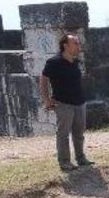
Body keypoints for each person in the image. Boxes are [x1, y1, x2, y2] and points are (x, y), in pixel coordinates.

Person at [40, 34, 94, 172]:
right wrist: (46, 99)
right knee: (63, 134)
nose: (78, 46)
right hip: (63, 103)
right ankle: (64, 162)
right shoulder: (54, 62)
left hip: (79, 102)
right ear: (65, 45)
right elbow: (43, 80)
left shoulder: (75, 62)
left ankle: (81, 158)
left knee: (79, 133)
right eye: (75, 43)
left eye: (78, 43)